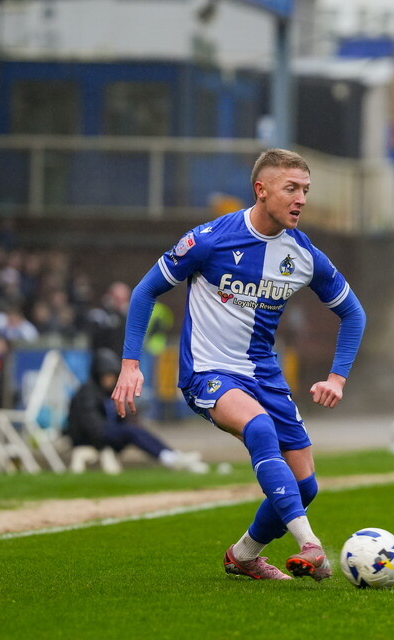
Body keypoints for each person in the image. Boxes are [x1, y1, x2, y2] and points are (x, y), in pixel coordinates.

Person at [111, 148, 367, 582]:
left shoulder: (303, 254)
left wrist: (337, 378)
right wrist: (130, 363)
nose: (301, 199)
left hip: (264, 374)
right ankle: (310, 543)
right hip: (207, 371)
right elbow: (144, 292)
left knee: (305, 486)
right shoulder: (209, 239)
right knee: (260, 429)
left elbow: (353, 313)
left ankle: (244, 555)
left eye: (305, 190)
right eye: (291, 188)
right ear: (261, 190)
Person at [67, 349, 207, 474]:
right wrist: (118, 430)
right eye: (106, 376)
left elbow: (116, 416)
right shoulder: (87, 393)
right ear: (98, 375)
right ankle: (170, 458)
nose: (110, 380)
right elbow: (92, 426)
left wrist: (128, 418)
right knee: (131, 431)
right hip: (90, 438)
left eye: (112, 376)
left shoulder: (107, 392)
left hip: (106, 432)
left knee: (136, 428)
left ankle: (171, 455)